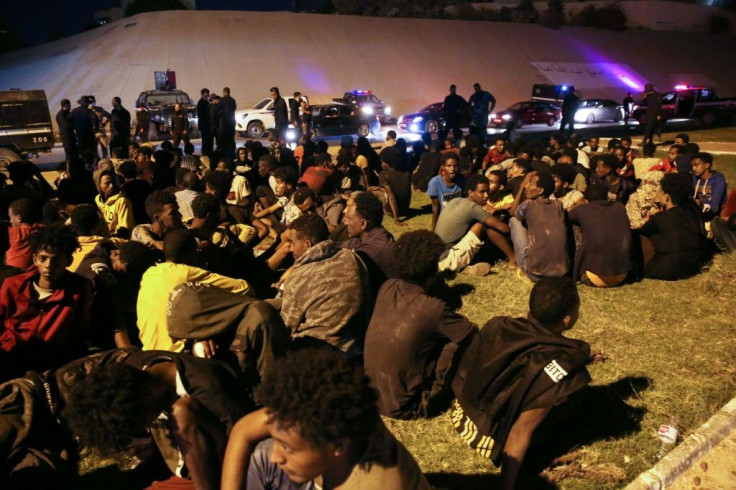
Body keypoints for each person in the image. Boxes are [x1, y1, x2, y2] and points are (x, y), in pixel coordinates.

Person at [451, 277, 593, 490]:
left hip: (461, 413)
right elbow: (521, 431)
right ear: (567, 318)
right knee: (575, 393)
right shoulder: (557, 367)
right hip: (490, 437)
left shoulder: (498, 324)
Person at [221, 348, 432, 490]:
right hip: (327, 469)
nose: (276, 456)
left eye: (287, 448)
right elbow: (244, 430)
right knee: (261, 455)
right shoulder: (330, 415)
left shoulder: (378, 484)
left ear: (337, 444)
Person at [62, 347, 251, 490]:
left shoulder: (210, 389)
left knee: (183, 412)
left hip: (225, 466)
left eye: (140, 421)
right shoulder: (139, 369)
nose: (144, 425)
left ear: (145, 396)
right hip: (180, 466)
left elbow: (244, 443)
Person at [365, 230, 477, 419]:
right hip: (409, 405)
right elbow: (471, 334)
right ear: (433, 272)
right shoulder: (433, 308)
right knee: (455, 344)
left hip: (371, 394)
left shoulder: (388, 286)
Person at [0, 224, 93, 380]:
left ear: (68, 261)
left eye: (56, 260)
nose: (48, 266)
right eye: (43, 259)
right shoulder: (13, 285)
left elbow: (80, 331)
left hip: (50, 366)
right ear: (35, 259)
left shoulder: (79, 289)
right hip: (10, 358)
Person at [136, 229, 252, 351]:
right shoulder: (186, 273)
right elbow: (244, 288)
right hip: (179, 350)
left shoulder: (149, 274)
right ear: (192, 253)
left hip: (149, 351)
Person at [280, 214, 371, 357]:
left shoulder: (299, 277)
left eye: (292, 242)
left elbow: (286, 327)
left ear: (307, 244)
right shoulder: (351, 257)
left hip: (318, 353)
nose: (289, 248)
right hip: (357, 345)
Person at [435, 174, 514, 275]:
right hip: (449, 259)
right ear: (470, 193)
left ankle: (464, 268)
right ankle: (513, 258)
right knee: (484, 225)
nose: (486, 195)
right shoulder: (473, 208)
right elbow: (505, 229)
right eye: (482, 192)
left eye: (487, 191)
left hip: (437, 258)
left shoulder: (455, 201)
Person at [638, 173, 706, 280]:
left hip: (666, 269)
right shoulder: (692, 213)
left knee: (638, 237)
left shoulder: (660, 218)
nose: (659, 195)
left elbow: (640, 232)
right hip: (692, 267)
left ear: (667, 197)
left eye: (661, 192)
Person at [509, 172, 569, 282]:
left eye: (530, 184)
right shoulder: (558, 205)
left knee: (514, 220)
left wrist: (521, 188)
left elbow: (512, 212)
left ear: (540, 190)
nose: (527, 186)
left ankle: (519, 264)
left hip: (536, 274)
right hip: (561, 274)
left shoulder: (528, 205)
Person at [568, 183, 631, 287]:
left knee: (573, 226)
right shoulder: (620, 207)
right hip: (622, 276)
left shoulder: (582, 209)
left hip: (593, 277)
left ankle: (574, 267)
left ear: (586, 200)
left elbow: (567, 215)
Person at [339, 191, 399, 294]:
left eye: (349, 218)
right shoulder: (367, 235)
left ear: (363, 224)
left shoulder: (373, 251)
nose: (346, 222)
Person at [427, 153, 465, 232]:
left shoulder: (462, 180)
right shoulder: (435, 183)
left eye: (455, 166)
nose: (452, 169)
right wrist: (433, 230)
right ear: (443, 167)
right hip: (444, 219)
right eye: (449, 166)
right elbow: (435, 208)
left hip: (461, 217)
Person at [5, 198, 42, 271]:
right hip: (33, 274)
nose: (10, 221)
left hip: (12, 275)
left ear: (19, 218)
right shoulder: (41, 229)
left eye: (11, 217)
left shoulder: (14, 233)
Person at [95, 170, 135, 236]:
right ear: (99, 185)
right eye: (107, 183)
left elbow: (124, 231)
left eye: (113, 182)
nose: (111, 186)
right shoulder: (98, 201)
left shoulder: (122, 202)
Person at [691, 152, 727, 221]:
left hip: (716, 217)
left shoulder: (718, 181)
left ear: (707, 165)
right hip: (700, 213)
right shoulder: (695, 178)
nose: (693, 168)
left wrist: (701, 203)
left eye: (696, 165)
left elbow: (714, 207)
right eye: (692, 166)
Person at [67, 95, 97, 164]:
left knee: (82, 152)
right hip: (89, 135)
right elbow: (95, 121)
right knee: (90, 153)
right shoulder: (89, 111)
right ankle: (90, 164)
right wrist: (95, 129)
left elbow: (68, 120)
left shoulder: (74, 111)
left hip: (79, 135)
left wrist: (73, 127)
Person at [220, 87, 237, 159]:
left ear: (224, 92)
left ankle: (226, 155)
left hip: (224, 123)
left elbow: (219, 109)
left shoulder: (221, 100)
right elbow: (234, 108)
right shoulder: (233, 100)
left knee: (224, 140)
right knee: (231, 139)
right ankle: (232, 154)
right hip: (231, 122)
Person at [198, 87, 213, 156]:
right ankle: (205, 154)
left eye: (207, 95)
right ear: (202, 95)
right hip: (204, 126)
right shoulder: (201, 103)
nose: (207, 97)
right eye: (205, 95)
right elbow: (204, 115)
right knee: (205, 141)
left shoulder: (207, 102)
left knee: (209, 141)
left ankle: (208, 153)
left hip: (208, 126)